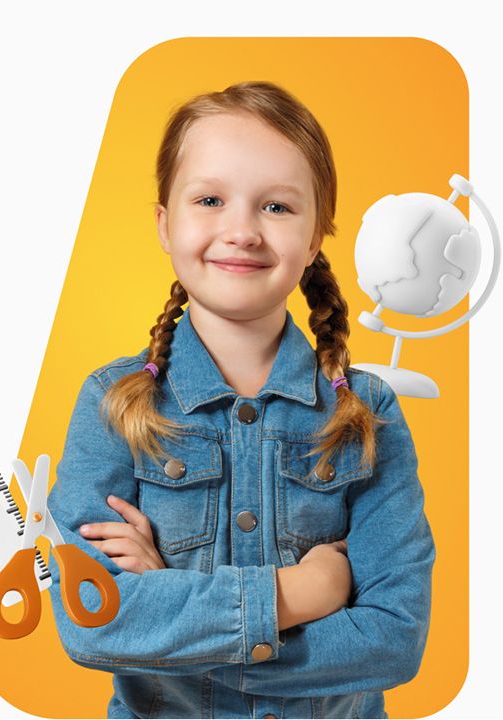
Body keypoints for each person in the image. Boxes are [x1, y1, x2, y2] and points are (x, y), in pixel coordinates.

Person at [47, 81, 435, 720]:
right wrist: (295, 595)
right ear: (166, 225)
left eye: (277, 207)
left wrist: (168, 607)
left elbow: (395, 640)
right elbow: (89, 623)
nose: (242, 231)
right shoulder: (112, 404)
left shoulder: (368, 413)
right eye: (209, 199)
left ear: (314, 239)